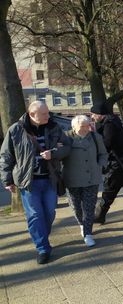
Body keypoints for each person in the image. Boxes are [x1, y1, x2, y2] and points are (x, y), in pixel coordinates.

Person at [0, 101, 71, 264]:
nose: (48, 116)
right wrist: (7, 179)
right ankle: (42, 248)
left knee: (50, 213)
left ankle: (42, 238)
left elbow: (68, 147)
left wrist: (54, 153)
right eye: (44, 114)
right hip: (28, 182)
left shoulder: (54, 127)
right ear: (32, 115)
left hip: (50, 179)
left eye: (48, 112)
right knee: (35, 215)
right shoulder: (16, 130)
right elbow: (6, 156)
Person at [63, 115, 108, 247]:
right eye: (82, 126)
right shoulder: (65, 137)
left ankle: (88, 233)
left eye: (87, 126)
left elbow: (103, 154)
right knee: (76, 207)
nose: (85, 129)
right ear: (74, 127)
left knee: (89, 208)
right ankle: (82, 224)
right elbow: (59, 155)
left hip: (91, 178)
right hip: (72, 179)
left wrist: (100, 165)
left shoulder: (95, 137)